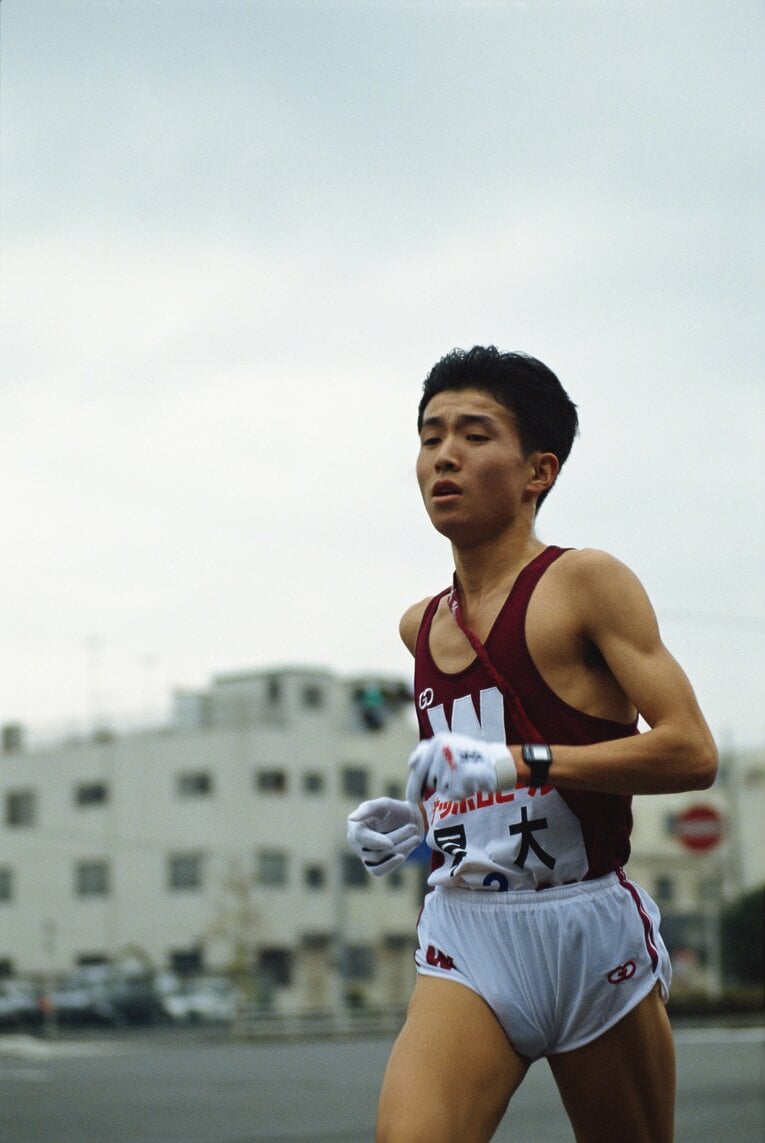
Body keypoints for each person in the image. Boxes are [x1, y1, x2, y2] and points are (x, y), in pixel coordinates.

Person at [346, 345, 718, 1143]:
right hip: (468, 930)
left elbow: (691, 751)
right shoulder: (419, 625)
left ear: (537, 471)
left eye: (474, 434)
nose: (443, 455)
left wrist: (523, 761)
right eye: (430, 435)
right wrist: (418, 820)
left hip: (586, 927)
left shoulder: (585, 582)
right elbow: (472, 774)